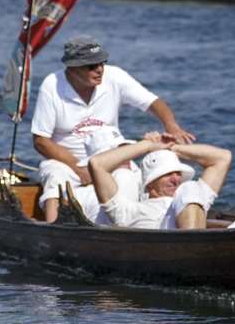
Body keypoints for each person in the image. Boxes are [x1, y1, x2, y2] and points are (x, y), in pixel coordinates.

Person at [30, 36, 194, 221]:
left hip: (110, 153)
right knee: (56, 176)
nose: (99, 69)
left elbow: (152, 102)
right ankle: (53, 230)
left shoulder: (115, 76)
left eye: (102, 63)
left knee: (130, 175)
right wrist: (78, 167)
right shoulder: (51, 85)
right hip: (67, 162)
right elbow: (40, 141)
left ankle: (145, 223)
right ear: (73, 68)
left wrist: (171, 126)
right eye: (91, 66)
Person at [90, 138, 231, 230]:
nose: (176, 179)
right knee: (190, 187)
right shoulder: (127, 210)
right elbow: (97, 164)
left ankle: (193, 245)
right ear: (150, 183)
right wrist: (147, 145)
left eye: (178, 173)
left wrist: (172, 148)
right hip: (164, 246)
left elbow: (223, 157)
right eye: (168, 174)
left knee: (190, 187)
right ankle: (192, 247)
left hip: (190, 237)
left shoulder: (192, 199)